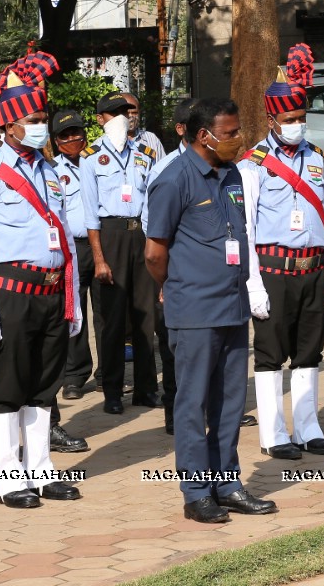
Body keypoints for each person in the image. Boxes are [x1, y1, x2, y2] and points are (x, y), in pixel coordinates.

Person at [0, 50, 85, 508]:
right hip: (10, 293)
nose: (41, 125)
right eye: (32, 119)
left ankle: (41, 468)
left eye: (42, 117)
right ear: (8, 126)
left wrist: (71, 301)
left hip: (51, 291)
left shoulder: (52, 171)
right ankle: (9, 477)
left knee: (43, 385)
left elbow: (67, 238)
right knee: (8, 386)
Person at [146, 98, 277, 523]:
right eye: (231, 132)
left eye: (239, 130)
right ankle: (196, 491)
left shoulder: (234, 173)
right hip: (194, 309)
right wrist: (174, 288)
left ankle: (228, 483)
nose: (239, 139)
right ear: (203, 135)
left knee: (230, 401)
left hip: (232, 307)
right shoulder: (173, 180)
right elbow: (154, 254)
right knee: (193, 401)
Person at [240, 43, 324, 459]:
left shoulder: (318, 158)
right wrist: (252, 286)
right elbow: (245, 227)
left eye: (301, 118)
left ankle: (307, 427)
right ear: (272, 119)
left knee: (309, 352)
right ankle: (273, 433)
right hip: (272, 270)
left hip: (313, 269)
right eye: (289, 120)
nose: (297, 125)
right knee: (270, 354)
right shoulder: (253, 163)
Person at [81, 92, 161, 415]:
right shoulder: (90, 158)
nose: (121, 118)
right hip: (110, 235)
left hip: (139, 233)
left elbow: (152, 198)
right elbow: (89, 215)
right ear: (100, 120)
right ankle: (112, 390)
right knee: (112, 319)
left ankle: (146, 388)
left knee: (145, 315)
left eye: (124, 112)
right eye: (113, 114)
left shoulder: (144, 152)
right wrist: (99, 258)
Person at [140, 98, 201, 435]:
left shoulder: (222, 163)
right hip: (176, 269)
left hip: (213, 272)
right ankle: (175, 411)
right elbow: (152, 228)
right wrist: (164, 280)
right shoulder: (164, 170)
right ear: (181, 129)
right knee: (174, 342)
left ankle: (213, 407)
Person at [53, 109, 104, 404]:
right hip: (70, 249)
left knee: (105, 313)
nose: (73, 139)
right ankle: (74, 375)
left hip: (100, 245)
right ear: (57, 141)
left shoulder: (98, 161)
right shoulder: (51, 171)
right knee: (74, 312)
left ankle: (106, 373)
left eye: (76, 133)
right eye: (65, 135)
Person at [123, 92, 167, 161]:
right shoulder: (107, 141)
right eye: (126, 113)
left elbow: (163, 168)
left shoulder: (152, 140)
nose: (131, 116)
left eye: (134, 113)